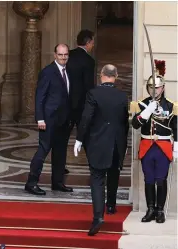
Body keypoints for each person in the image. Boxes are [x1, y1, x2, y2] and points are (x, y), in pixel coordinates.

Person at [74, 64, 129, 236]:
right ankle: (111, 205)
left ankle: (98, 216)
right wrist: (123, 144)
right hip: (116, 143)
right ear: (116, 76)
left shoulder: (93, 94)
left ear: (101, 75)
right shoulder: (122, 96)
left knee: (97, 179)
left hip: (98, 143)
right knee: (113, 173)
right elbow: (124, 123)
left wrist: (79, 138)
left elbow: (86, 118)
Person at [130, 59, 177, 224]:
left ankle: (160, 210)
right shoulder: (141, 104)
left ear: (163, 88)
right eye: (151, 87)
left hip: (163, 146)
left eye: (157, 87)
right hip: (146, 146)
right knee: (148, 179)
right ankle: (150, 209)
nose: (154, 90)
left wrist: (176, 147)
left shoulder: (171, 106)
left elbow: (176, 128)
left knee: (160, 179)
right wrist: (147, 111)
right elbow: (135, 125)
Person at [25, 44, 73, 196]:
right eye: (60, 55)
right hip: (49, 120)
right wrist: (40, 118)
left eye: (65, 55)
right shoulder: (47, 72)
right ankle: (31, 183)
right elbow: (40, 97)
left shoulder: (69, 71)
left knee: (60, 153)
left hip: (63, 120)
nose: (63, 57)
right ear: (55, 55)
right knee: (43, 151)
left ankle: (57, 183)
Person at [65, 29, 96, 174]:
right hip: (82, 106)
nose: (93, 45)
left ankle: (59, 168)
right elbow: (89, 86)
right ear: (88, 43)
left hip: (66, 104)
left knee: (62, 138)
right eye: (92, 42)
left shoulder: (68, 55)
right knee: (87, 138)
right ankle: (94, 167)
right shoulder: (89, 61)